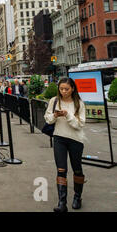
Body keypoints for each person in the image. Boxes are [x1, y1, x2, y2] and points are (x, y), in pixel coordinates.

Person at [44, 78, 86, 213]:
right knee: (61, 170)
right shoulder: (54, 101)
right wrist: (55, 115)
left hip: (76, 140)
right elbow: (48, 119)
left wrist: (68, 115)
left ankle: (77, 197)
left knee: (77, 169)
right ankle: (62, 202)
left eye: (66, 89)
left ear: (72, 88)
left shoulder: (79, 103)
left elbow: (79, 125)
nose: (63, 91)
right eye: (61, 89)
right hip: (59, 138)